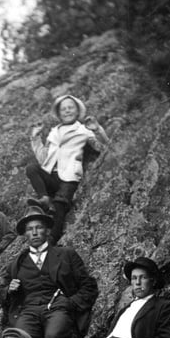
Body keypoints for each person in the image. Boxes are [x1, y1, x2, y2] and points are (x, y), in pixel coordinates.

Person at [0, 205, 99, 338]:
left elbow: (89, 286)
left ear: (47, 230)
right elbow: (0, 292)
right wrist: (8, 290)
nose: (34, 232)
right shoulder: (16, 263)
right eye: (29, 229)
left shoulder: (66, 254)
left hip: (58, 308)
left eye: (39, 227)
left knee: (53, 336)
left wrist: (69, 303)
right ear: (25, 234)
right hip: (28, 311)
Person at [25, 94, 110, 243]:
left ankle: (52, 238)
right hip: (52, 175)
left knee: (60, 204)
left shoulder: (83, 130)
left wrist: (97, 130)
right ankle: (44, 198)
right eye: (63, 109)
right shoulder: (54, 132)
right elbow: (43, 159)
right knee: (32, 168)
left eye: (71, 107)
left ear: (77, 111)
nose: (67, 111)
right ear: (59, 114)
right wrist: (36, 138)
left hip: (69, 177)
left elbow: (103, 148)